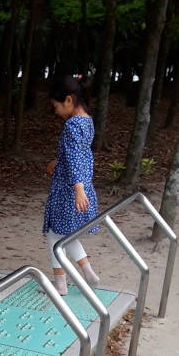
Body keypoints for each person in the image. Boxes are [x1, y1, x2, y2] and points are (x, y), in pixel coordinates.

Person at [43, 75, 100, 296]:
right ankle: (88, 272)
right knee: (68, 236)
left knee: (53, 237)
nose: (55, 111)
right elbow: (79, 154)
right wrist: (57, 162)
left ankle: (60, 283)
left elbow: (76, 157)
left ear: (68, 100)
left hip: (69, 191)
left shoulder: (72, 125)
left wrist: (78, 188)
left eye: (56, 106)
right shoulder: (87, 121)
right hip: (82, 186)